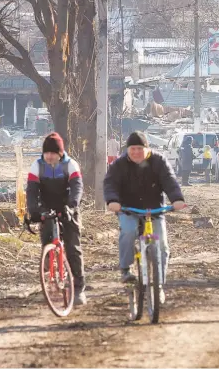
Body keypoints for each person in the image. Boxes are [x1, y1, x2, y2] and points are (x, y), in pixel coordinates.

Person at [103, 131, 186, 302]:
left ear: (147, 149)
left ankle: (159, 286)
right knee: (128, 231)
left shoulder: (159, 161)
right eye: (132, 149)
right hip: (128, 208)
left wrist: (176, 199)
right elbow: (110, 183)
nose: (136, 152)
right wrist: (112, 201)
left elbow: (169, 181)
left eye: (140, 148)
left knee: (162, 245)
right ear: (128, 149)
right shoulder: (119, 165)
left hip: (154, 209)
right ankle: (126, 269)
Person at [26, 132, 86, 306]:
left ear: (60, 153)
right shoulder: (37, 166)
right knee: (47, 241)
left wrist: (72, 206)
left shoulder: (70, 165)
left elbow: (77, 188)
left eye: (53, 153)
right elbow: (31, 191)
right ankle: (48, 275)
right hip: (47, 207)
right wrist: (33, 211)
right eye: (46, 153)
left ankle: (79, 287)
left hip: (68, 207)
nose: (49, 156)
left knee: (73, 247)